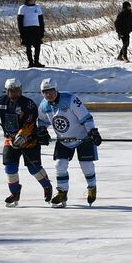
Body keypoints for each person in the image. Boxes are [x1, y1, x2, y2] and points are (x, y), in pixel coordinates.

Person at [0, 77, 53, 205]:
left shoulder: (28, 104)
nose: (14, 92)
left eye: (17, 90)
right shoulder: (1, 101)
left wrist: (21, 136)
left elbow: (29, 123)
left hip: (29, 142)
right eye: (11, 90)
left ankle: (47, 187)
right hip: (10, 141)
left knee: (34, 169)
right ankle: (15, 193)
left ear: (21, 90)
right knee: (10, 168)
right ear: (7, 91)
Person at [38, 78, 102, 206]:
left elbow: (85, 117)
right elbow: (42, 122)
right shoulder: (44, 106)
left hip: (82, 137)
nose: (48, 94)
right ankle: (62, 192)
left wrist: (93, 131)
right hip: (63, 139)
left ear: (56, 89)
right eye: (45, 92)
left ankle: (92, 187)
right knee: (59, 165)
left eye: (50, 91)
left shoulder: (70, 99)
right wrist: (42, 131)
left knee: (86, 165)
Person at [18, 0, 45, 67]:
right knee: (28, 46)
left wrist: (42, 31)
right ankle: (31, 62)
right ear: (29, 0)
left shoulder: (37, 7)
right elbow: (20, 21)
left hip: (36, 29)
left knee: (37, 46)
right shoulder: (22, 8)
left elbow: (41, 20)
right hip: (27, 30)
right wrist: (21, 32)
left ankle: (36, 62)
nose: (34, 1)